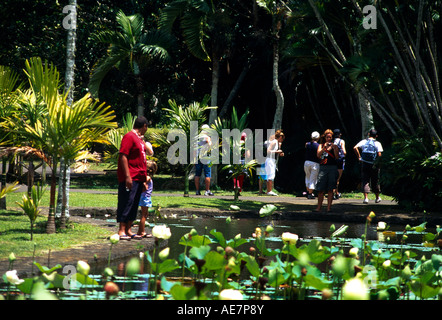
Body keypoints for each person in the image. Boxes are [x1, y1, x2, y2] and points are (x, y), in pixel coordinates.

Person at [116, 116, 153, 240]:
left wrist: (143, 181)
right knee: (127, 201)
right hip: (131, 176)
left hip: (138, 177)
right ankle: (121, 230)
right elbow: (123, 156)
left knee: (134, 203)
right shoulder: (129, 136)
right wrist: (127, 176)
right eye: (146, 127)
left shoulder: (138, 139)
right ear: (144, 126)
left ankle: (129, 229)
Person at [353, 129, 383, 204]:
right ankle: (377, 197)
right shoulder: (377, 143)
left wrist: (359, 157)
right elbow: (379, 154)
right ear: (376, 136)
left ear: (369, 134)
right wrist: (378, 162)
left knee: (365, 180)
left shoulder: (363, 141)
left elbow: (355, 148)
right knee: (375, 180)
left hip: (365, 163)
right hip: (374, 164)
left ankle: (366, 198)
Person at [314, 129, 339, 212]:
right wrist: (324, 148)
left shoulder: (334, 145)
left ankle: (328, 208)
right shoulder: (321, 145)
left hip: (332, 167)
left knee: (330, 188)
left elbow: (337, 157)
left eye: (330, 137)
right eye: (327, 137)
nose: (329, 139)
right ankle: (319, 207)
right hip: (323, 168)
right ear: (324, 137)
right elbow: (318, 155)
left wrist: (334, 148)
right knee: (320, 188)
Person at [137, 160, 157, 238]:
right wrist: (144, 189)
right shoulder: (148, 177)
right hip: (145, 197)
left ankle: (140, 230)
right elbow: (143, 184)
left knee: (145, 214)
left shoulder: (145, 176)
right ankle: (142, 232)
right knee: (144, 215)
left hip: (144, 197)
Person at [195, 124, 214, 196]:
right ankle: (207, 191)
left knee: (197, 174)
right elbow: (210, 144)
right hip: (206, 157)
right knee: (207, 174)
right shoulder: (207, 137)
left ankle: (197, 191)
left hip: (198, 157)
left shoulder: (198, 137)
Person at [265, 130, 285, 196]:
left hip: (272, 160)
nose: (282, 140)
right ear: (280, 137)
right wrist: (277, 152)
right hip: (270, 160)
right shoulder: (274, 142)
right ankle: (269, 190)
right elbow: (268, 151)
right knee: (270, 175)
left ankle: (268, 190)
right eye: (282, 138)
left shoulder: (277, 142)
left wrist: (280, 153)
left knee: (270, 175)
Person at [304, 131, 320, 199]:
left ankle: (308, 192)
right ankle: (310, 194)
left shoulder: (307, 144)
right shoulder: (318, 146)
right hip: (314, 163)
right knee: (313, 178)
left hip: (307, 162)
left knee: (307, 177)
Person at [333, 129, 347, 199]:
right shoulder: (341, 141)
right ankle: (335, 193)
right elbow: (344, 151)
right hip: (340, 160)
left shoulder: (331, 141)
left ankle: (336, 192)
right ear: (340, 134)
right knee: (337, 178)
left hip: (332, 160)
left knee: (333, 177)